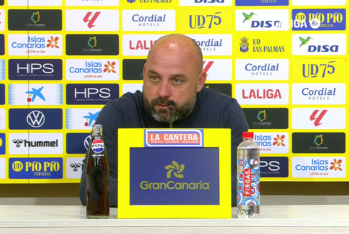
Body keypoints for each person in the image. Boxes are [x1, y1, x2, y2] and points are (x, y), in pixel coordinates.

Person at [79, 34, 249, 207]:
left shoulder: (224, 113)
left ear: (200, 82)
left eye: (176, 80)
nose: (162, 92)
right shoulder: (118, 114)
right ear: (144, 73)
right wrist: (194, 188)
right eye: (154, 78)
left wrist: (149, 189)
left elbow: (244, 188)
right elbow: (92, 187)